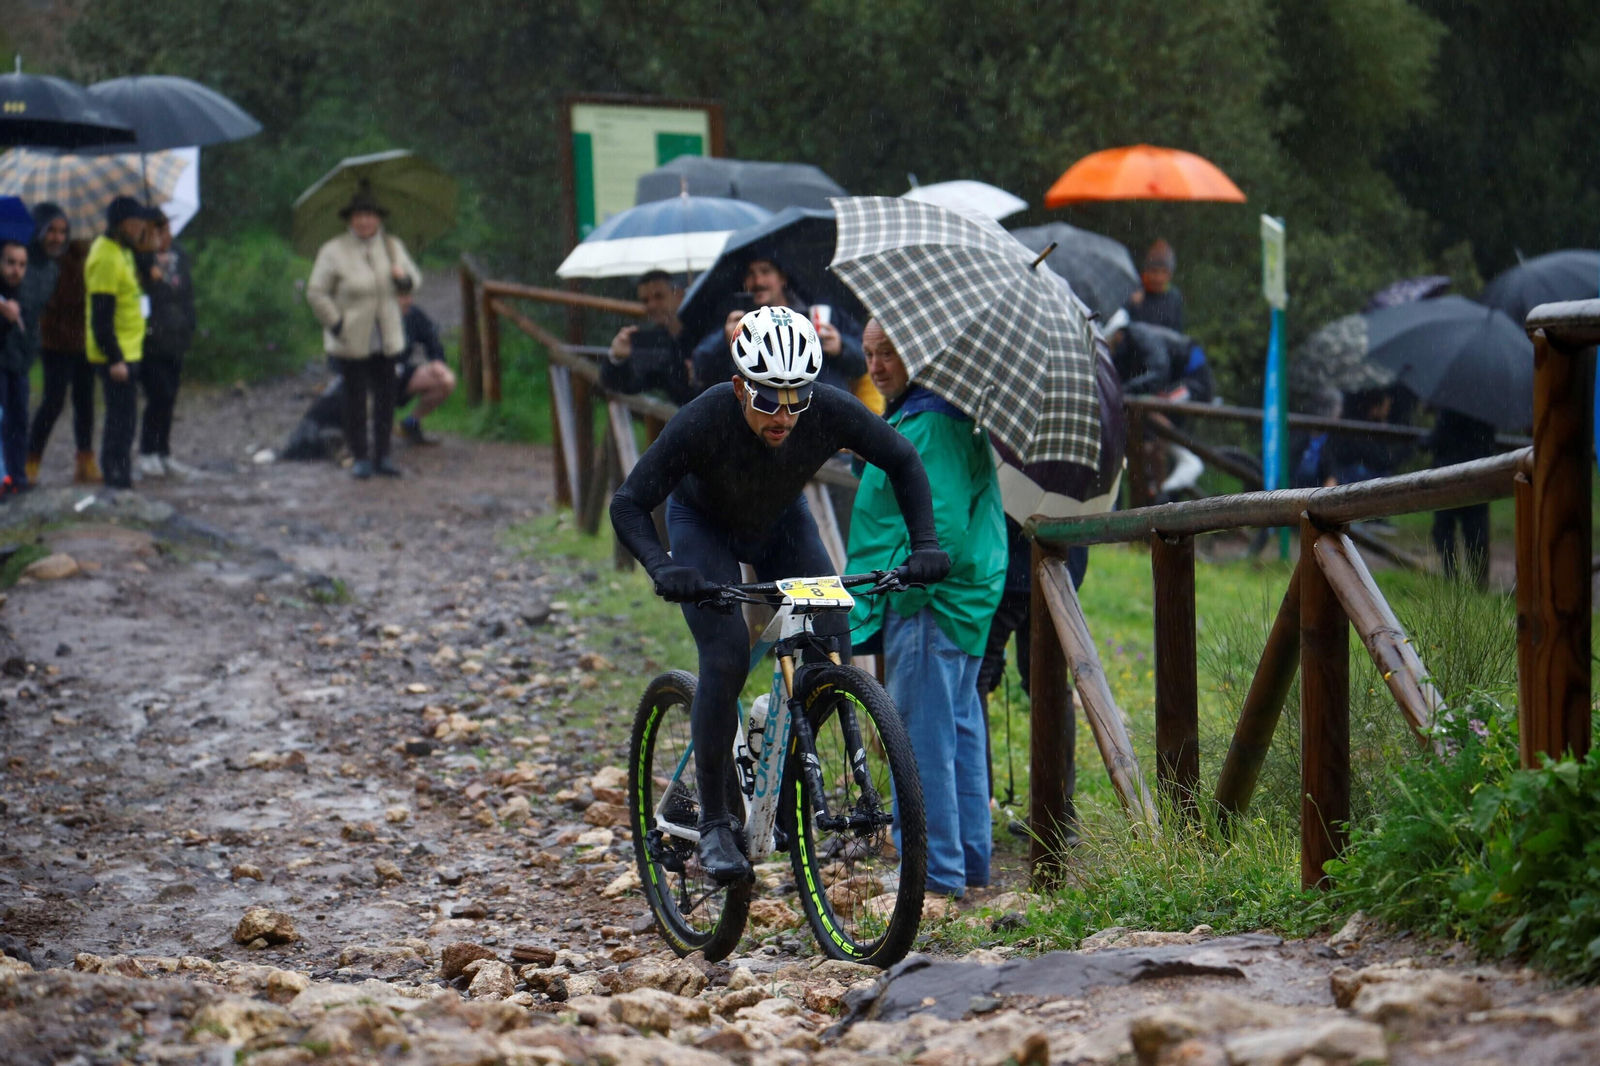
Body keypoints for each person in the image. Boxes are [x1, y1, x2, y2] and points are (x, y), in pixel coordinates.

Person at [610, 306, 948, 883]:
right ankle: (716, 821)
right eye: (768, 399)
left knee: (833, 639)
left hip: (779, 521)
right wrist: (662, 565)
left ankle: (787, 787)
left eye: (797, 398)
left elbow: (902, 458)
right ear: (740, 386)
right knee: (726, 654)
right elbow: (628, 503)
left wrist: (926, 544)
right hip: (703, 525)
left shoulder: (828, 409)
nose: (784, 416)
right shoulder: (704, 418)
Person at [845, 319, 1006, 897]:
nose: (877, 365)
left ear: (919, 349)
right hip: (965, 598)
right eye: (869, 354)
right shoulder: (939, 410)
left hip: (929, 599)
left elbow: (939, 531)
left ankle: (934, 875)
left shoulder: (931, 421)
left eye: (889, 351)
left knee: (921, 737)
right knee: (959, 727)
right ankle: (968, 863)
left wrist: (903, 589)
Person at [306, 185, 421, 479]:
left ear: (379, 219)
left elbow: (413, 282)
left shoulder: (392, 247)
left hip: (387, 335)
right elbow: (316, 292)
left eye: (369, 216)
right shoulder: (333, 251)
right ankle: (360, 456)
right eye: (359, 216)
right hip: (351, 336)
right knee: (355, 397)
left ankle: (383, 454)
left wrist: (402, 278)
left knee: (386, 397)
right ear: (350, 219)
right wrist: (337, 323)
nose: (365, 222)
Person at [691, 256, 868, 397]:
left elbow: (867, 359)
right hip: (768, 416)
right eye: (750, 274)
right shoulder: (740, 322)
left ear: (782, 277)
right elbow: (700, 367)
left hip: (826, 413)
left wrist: (841, 347)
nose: (757, 281)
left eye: (765, 271)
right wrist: (726, 340)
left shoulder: (820, 314)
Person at [85, 196, 150, 490]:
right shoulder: (105, 256)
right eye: (138, 225)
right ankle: (114, 475)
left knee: (127, 418)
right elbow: (101, 315)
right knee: (119, 419)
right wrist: (115, 358)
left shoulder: (122, 251)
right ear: (124, 225)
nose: (141, 230)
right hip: (117, 354)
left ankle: (120, 471)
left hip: (131, 349)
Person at [27, 223, 94, 485]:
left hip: (83, 340)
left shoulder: (87, 256)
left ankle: (86, 458)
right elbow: (58, 300)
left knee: (85, 400)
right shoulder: (54, 261)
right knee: (54, 400)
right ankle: (31, 459)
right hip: (56, 341)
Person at [134, 207, 197, 478]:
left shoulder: (179, 255)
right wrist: (149, 275)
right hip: (150, 338)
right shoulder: (139, 258)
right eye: (159, 229)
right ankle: (147, 451)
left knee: (170, 396)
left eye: (167, 228)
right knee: (157, 395)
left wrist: (189, 324)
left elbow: (187, 292)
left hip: (177, 335)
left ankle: (163, 450)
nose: (165, 235)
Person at [602, 270, 699, 406]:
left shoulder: (705, 333)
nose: (652, 305)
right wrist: (617, 359)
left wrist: (704, 375)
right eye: (645, 300)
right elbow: (628, 385)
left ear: (679, 294)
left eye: (659, 296)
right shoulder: (657, 340)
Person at [1427, 408, 1495, 588]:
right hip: (1478, 478)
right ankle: (1480, 580)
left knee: (1444, 529)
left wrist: (1423, 442)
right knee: (1476, 533)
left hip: (1447, 478)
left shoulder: (1449, 410)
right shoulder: (1486, 412)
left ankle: (1451, 575)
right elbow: (1489, 446)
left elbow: (1436, 440)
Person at [395, 292, 456, 445]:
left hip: (399, 374)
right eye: (402, 295)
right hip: (369, 377)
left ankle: (410, 424)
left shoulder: (412, 314)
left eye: (409, 295)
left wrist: (437, 360)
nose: (408, 300)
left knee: (446, 380)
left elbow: (431, 338)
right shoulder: (370, 314)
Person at [0, 239, 30, 491]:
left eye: (21, 264)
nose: (16, 270)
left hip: (19, 364)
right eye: (10, 262)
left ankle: (17, 477)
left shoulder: (20, 293)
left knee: (18, 420)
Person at [1125, 238, 1184, 331]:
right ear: (1147, 272)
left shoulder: (1174, 297)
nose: (1158, 278)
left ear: (1170, 275)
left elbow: (1177, 331)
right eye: (1154, 271)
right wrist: (1133, 305)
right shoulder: (1136, 294)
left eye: (1164, 272)